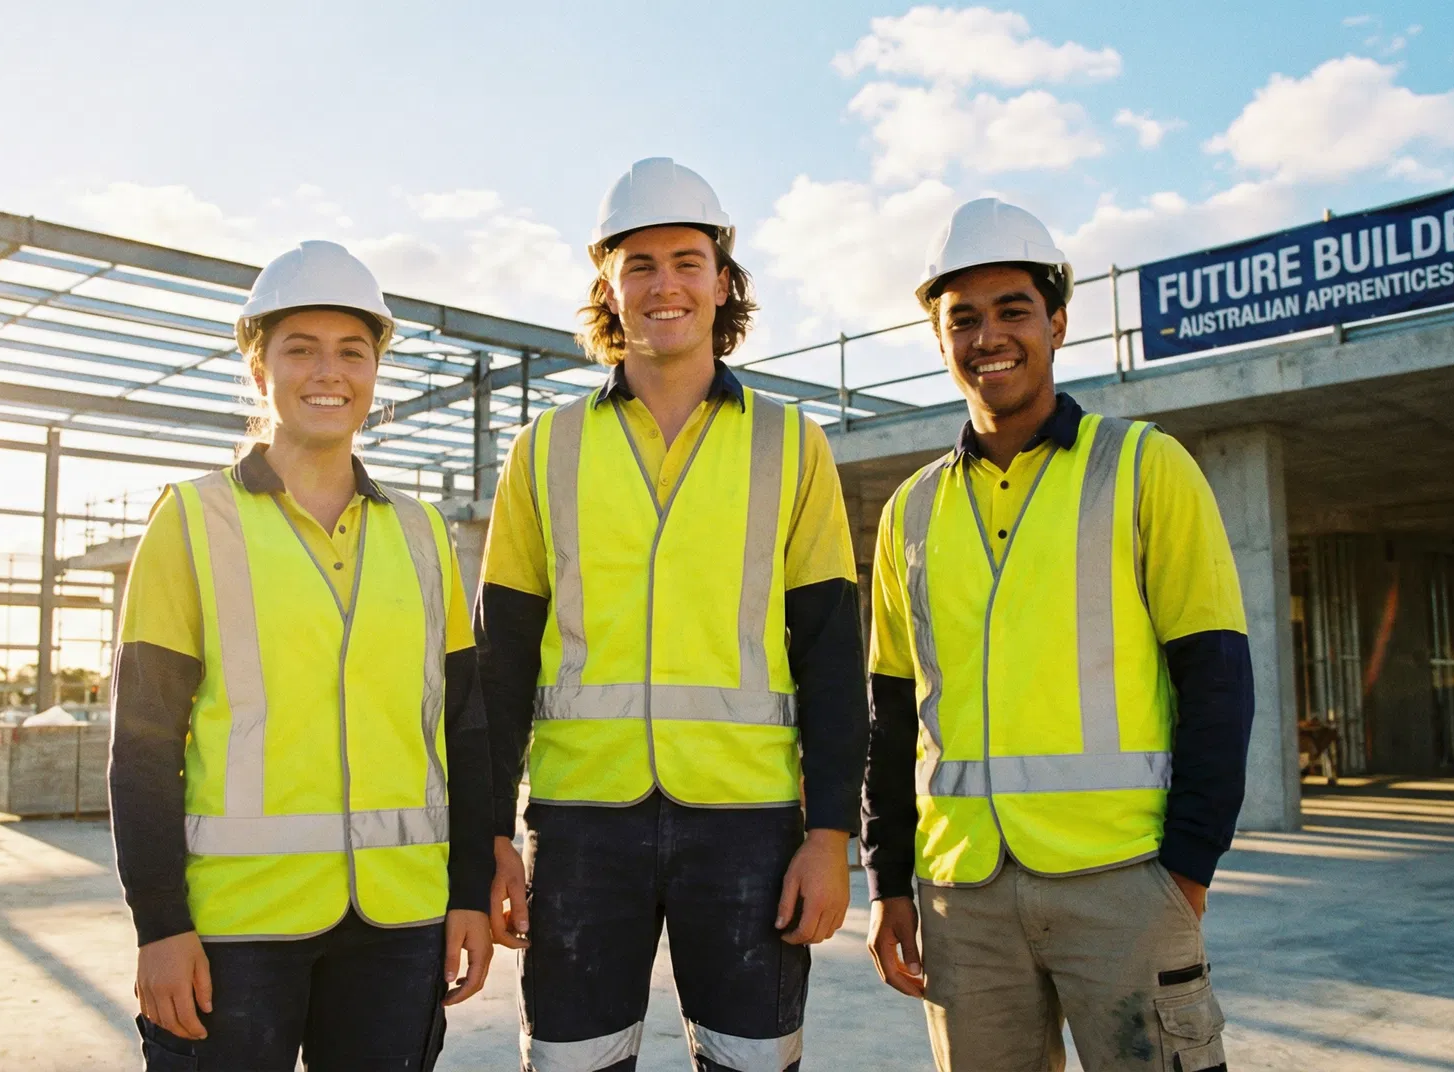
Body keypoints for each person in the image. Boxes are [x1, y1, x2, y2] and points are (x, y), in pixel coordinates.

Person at [477, 159, 868, 1072]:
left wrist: (829, 837)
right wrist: (491, 834)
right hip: (579, 823)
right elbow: (499, 661)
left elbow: (830, 658)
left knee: (751, 1063)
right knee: (573, 1063)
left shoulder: (791, 442)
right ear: (607, 287)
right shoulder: (546, 448)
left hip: (748, 825)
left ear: (723, 281)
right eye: (639, 263)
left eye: (687, 261)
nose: (665, 285)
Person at [860, 199, 1252, 1072]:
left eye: (1012, 311)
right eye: (962, 319)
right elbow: (892, 715)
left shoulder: (1147, 468)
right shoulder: (910, 513)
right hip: (963, 899)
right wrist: (889, 881)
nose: (988, 337)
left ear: (1058, 323)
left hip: (1124, 881)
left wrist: (1185, 874)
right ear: (938, 338)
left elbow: (1218, 683)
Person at [109, 240, 495, 1071]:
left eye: (352, 351)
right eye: (301, 350)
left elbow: (463, 730)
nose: (330, 371)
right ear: (260, 370)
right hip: (235, 929)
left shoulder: (425, 537)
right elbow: (141, 749)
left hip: (400, 924)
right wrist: (160, 926)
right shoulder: (190, 521)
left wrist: (466, 895)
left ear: (374, 371)